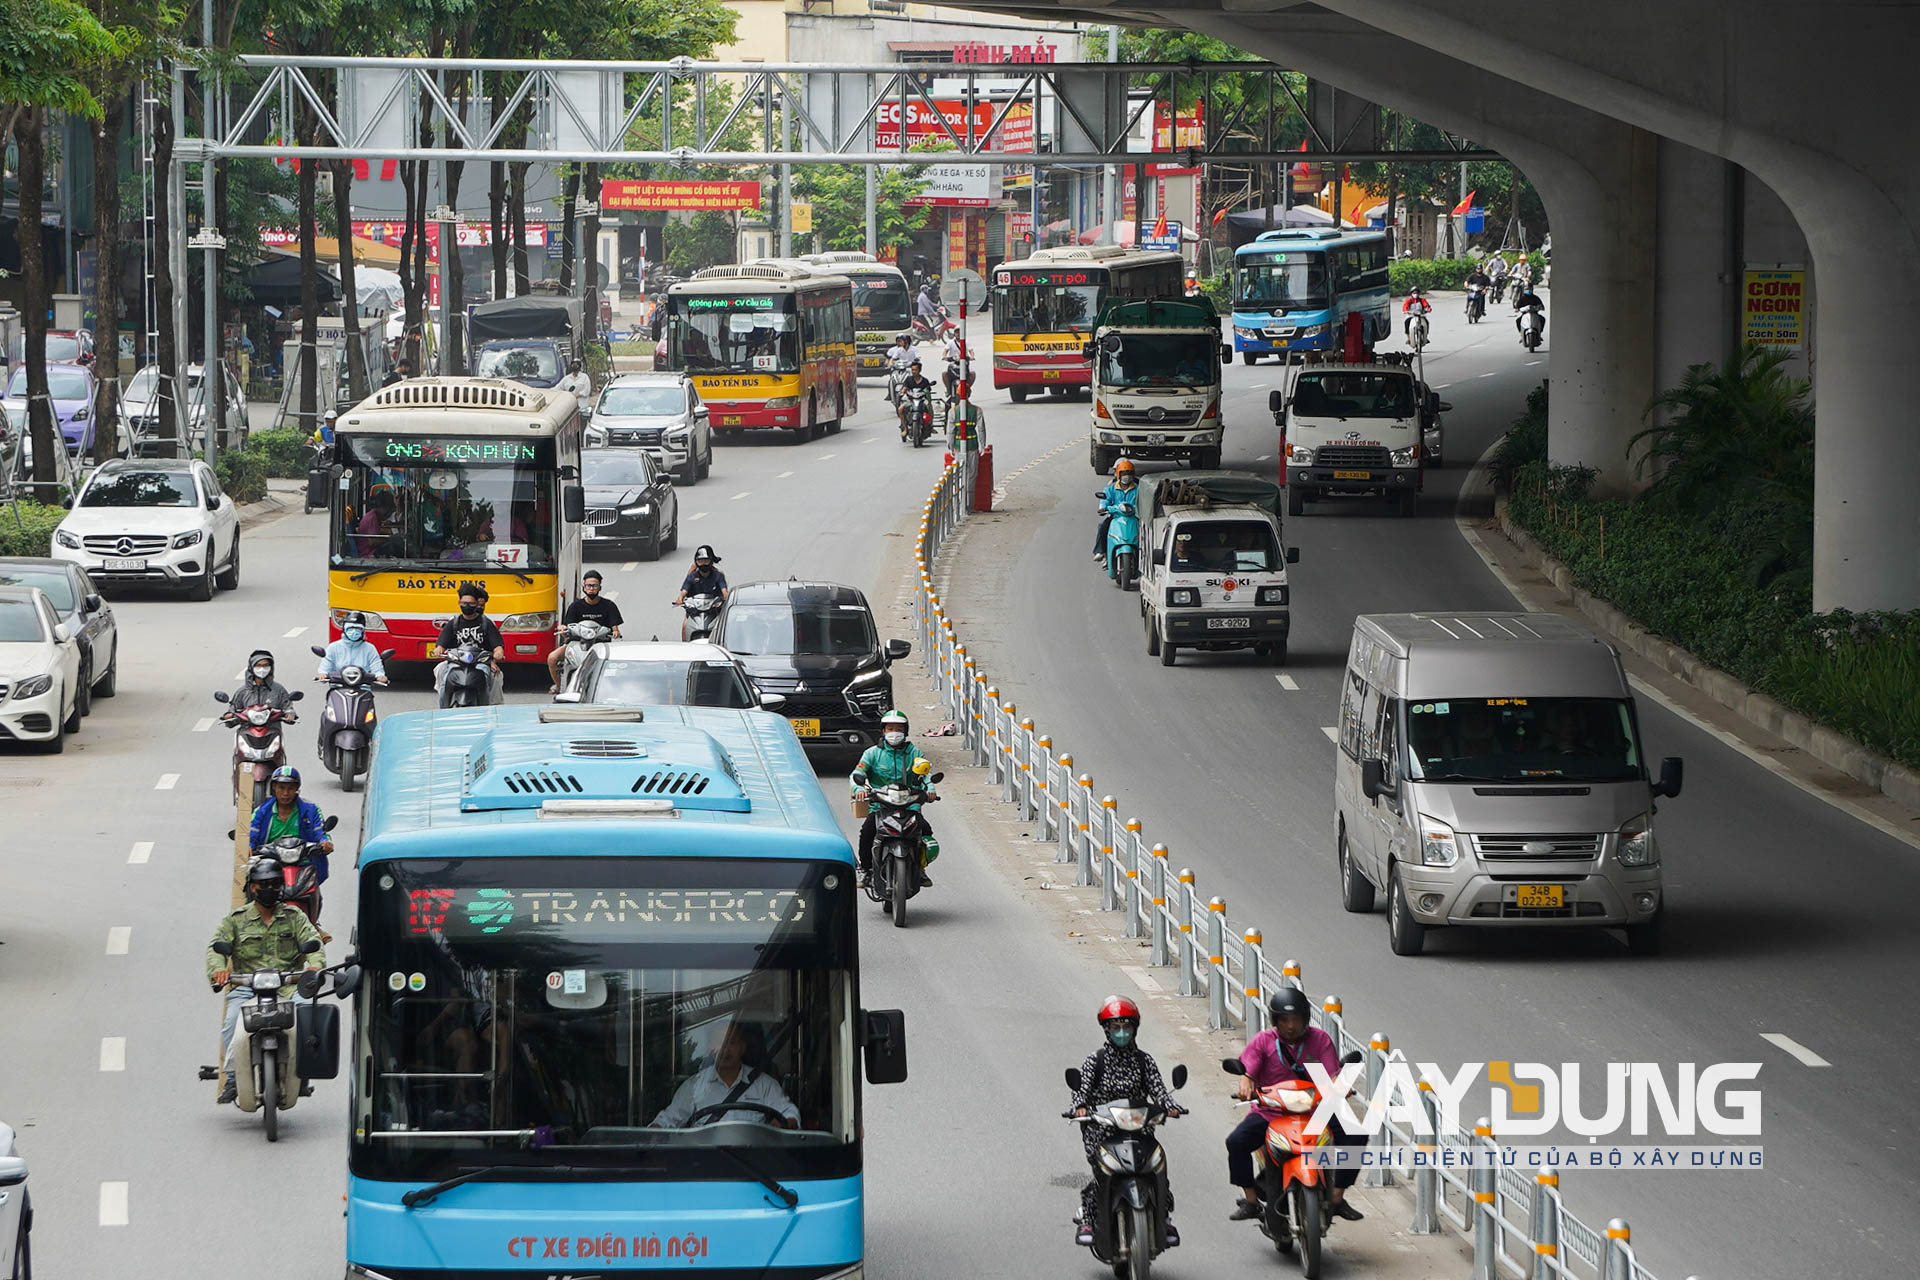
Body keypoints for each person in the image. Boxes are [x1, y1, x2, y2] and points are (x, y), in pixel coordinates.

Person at [1227, 987, 1366, 1223]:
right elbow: (1248, 1071)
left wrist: (1339, 1086)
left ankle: (1337, 1196)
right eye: (1284, 1020)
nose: (1290, 1026)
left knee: (1356, 1134)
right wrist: (1245, 1082)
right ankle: (1251, 1200)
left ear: (1305, 1019)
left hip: (1315, 1110)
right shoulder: (1263, 1041)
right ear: (1276, 1020)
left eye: (1296, 1020)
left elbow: (1333, 1074)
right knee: (1236, 1142)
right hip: (1271, 1111)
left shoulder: (1320, 1039)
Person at [206, 857, 327, 1104]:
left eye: (274, 883)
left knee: (306, 1013)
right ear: (252, 887)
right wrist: (218, 971)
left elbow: (313, 942)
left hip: (288, 985)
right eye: (263, 884)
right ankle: (232, 1079)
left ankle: (302, 1073)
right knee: (232, 1022)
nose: (269, 888)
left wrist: (315, 966)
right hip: (246, 988)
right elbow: (216, 949)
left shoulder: (295, 916)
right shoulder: (236, 919)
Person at [1070, 996, 1184, 1247]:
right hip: (1102, 1130)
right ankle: (1089, 1216)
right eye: (1115, 1027)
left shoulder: (1144, 1061)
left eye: (1126, 1027)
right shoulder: (1095, 1061)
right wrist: (1078, 1107)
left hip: (1138, 1128)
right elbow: (1081, 1092)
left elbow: (1160, 1092)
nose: (1121, 1032)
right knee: (1103, 1172)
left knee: (1156, 1169)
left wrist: (1170, 1106)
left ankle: (1162, 1217)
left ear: (1134, 1029)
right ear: (1106, 1030)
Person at [651, 1021, 798, 1130]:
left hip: (753, 1166)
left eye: (731, 1042)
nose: (725, 1049)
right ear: (709, 1047)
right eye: (719, 1042)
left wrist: (783, 1123)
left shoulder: (764, 1084)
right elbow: (668, 1120)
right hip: (704, 1165)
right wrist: (656, 1130)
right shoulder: (694, 1086)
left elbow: (789, 1113)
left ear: (743, 1047)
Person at [850, 711, 933, 888]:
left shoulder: (914, 753)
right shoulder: (872, 753)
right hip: (880, 806)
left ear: (906, 731)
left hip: (909, 805)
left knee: (925, 830)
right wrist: (858, 789)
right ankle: (865, 870)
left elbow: (926, 774)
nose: (894, 732)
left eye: (899, 729)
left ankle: (920, 868)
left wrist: (930, 790)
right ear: (883, 731)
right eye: (890, 729)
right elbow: (857, 773)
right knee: (867, 832)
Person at [248, 765, 335, 903]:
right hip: (270, 862)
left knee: (314, 894)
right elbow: (252, 835)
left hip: (302, 863)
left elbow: (320, 832)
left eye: (290, 788)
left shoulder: (310, 810)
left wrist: (325, 842)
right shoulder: (261, 812)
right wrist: (249, 846)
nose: (285, 793)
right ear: (274, 788)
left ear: (297, 789)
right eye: (281, 788)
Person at [548, 570, 624, 693]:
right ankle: (558, 686)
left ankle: (610, 688)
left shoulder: (609, 605)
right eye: (588, 585)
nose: (591, 588)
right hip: (576, 643)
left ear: (600, 587)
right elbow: (567, 625)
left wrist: (615, 632)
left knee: (615, 665)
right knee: (552, 658)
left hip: (600, 645)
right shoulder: (575, 606)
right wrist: (563, 629)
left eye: (595, 585)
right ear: (583, 587)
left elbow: (615, 627)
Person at [431, 582, 506, 705]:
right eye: (464, 603)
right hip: (456, 662)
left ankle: (492, 707)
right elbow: (441, 644)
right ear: (459, 603)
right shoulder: (453, 622)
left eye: (471, 604)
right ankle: (443, 705)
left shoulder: (486, 623)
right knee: (440, 670)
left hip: (480, 663)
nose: (467, 606)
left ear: (476, 604)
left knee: (495, 676)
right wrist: (438, 650)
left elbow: (497, 645)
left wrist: (497, 653)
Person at [316, 611, 389, 686]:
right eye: (350, 628)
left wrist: (380, 676)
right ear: (344, 630)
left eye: (357, 628)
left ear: (363, 630)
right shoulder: (333, 647)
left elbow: (376, 666)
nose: (354, 632)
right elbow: (326, 665)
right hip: (338, 688)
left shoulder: (370, 648)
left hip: (362, 688)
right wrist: (323, 674)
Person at [1092, 458, 1139, 560]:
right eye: (1124, 473)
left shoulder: (1138, 489)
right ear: (1118, 474)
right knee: (1103, 526)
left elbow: (1143, 502)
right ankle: (1101, 551)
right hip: (1115, 517)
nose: (1127, 476)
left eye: (1129, 473)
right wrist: (1103, 508)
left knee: (1145, 531)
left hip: (1134, 518)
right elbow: (1105, 499)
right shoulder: (1111, 488)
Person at [229, 649, 296, 714]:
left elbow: (287, 706)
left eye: (265, 665)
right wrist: (229, 715)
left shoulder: (278, 689)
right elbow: (233, 708)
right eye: (258, 665)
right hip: (247, 725)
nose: (262, 669)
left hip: (272, 725)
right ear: (252, 668)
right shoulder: (243, 691)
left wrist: (290, 713)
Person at [895, 359, 936, 439]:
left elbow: (928, 391)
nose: (913, 371)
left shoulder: (925, 381)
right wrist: (902, 392)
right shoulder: (909, 379)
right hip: (911, 400)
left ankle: (930, 425)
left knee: (929, 407)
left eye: (915, 370)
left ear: (919, 370)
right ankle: (905, 428)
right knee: (900, 409)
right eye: (912, 370)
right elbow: (905, 388)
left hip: (922, 401)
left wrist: (926, 392)